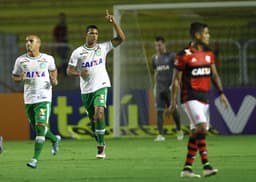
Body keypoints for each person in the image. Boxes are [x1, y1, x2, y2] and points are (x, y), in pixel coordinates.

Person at [168, 22, 229, 178]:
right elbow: (176, 80)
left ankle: (187, 169)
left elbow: (214, 75)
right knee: (202, 127)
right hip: (190, 97)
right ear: (197, 35)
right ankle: (206, 165)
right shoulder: (184, 55)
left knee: (197, 132)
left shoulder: (209, 53)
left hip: (204, 98)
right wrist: (173, 101)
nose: (208, 36)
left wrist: (221, 93)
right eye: (206, 33)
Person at [66, 10, 125, 159]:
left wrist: (114, 23)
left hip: (101, 85)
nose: (94, 36)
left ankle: (101, 146)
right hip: (86, 90)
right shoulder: (78, 52)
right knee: (93, 120)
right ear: (86, 35)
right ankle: (98, 135)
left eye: (96, 34)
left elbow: (121, 38)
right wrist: (79, 73)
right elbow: (69, 70)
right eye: (91, 33)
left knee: (100, 113)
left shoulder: (103, 47)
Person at [12, 35, 61, 168]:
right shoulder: (20, 60)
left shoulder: (47, 58)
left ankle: (34, 159)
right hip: (29, 99)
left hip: (44, 97)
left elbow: (53, 70)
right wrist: (20, 78)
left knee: (40, 127)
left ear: (38, 44)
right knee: (39, 128)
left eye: (31, 41)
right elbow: (15, 76)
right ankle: (55, 139)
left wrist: (54, 80)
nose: (28, 43)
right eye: (27, 41)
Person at [152, 36, 184, 141]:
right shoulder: (154, 58)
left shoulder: (171, 56)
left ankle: (179, 130)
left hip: (170, 88)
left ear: (164, 45)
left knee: (173, 109)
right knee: (159, 111)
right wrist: (155, 86)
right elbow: (156, 72)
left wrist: (176, 83)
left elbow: (177, 70)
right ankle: (160, 135)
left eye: (159, 45)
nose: (158, 47)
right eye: (156, 45)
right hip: (160, 89)